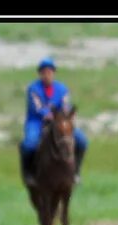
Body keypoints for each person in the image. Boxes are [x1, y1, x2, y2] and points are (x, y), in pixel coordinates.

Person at [20, 57, 88, 187]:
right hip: (37, 121)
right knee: (29, 144)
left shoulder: (62, 89)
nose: (47, 75)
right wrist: (50, 115)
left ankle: (76, 171)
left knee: (81, 141)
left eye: (50, 72)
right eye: (44, 72)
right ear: (40, 74)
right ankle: (28, 173)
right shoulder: (33, 89)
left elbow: (66, 106)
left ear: (54, 73)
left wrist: (66, 116)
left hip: (59, 121)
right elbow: (37, 108)